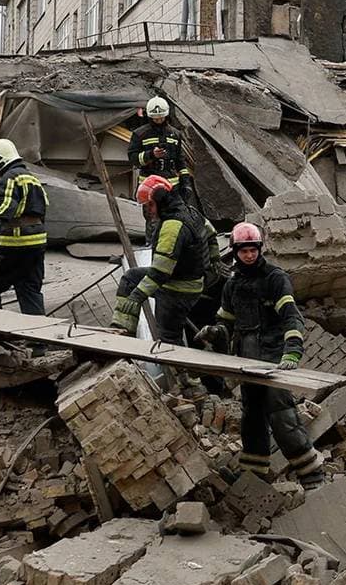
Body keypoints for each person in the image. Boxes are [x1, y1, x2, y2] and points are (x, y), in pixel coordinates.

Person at [193, 223, 325, 488]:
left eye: (253, 250)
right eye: (245, 251)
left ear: (260, 249)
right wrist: (214, 332)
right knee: (251, 416)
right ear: (236, 251)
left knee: (282, 414)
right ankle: (254, 474)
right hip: (247, 358)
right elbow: (227, 323)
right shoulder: (233, 285)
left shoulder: (275, 279)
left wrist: (292, 353)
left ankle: (311, 474)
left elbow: (292, 319)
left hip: (273, 356)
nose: (250, 256)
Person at [111, 175, 215, 343]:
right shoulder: (192, 213)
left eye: (150, 205)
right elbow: (211, 235)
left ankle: (176, 367)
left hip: (176, 289)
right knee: (130, 278)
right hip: (190, 283)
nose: (149, 211)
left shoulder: (172, 226)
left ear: (162, 200)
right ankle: (121, 330)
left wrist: (136, 297)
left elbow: (160, 271)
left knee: (168, 336)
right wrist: (214, 265)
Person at [0, 138, 48, 316]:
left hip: (14, 243)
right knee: (29, 290)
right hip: (36, 244)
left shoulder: (10, 178)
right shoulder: (32, 179)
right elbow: (43, 209)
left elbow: (7, 205)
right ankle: (38, 341)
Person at [129, 96, 193, 190]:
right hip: (149, 185)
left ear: (166, 116)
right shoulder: (140, 134)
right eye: (155, 119)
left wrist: (185, 183)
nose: (159, 121)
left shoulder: (175, 134)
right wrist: (151, 155)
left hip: (171, 185)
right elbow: (133, 158)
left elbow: (180, 161)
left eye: (161, 118)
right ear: (150, 117)